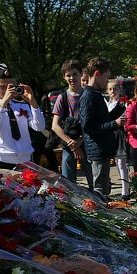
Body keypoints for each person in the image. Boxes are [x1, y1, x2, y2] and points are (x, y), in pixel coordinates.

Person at [0, 63, 45, 170]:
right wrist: (3, 103)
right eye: (2, 87)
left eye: (10, 86)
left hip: (25, 160)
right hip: (2, 160)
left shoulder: (21, 105)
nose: (6, 90)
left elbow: (39, 127)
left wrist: (33, 102)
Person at [80, 58, 126, 196]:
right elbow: (88, 126)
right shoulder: (88, 96)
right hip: (97, 150)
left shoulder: (96, 95)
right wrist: (114, 123)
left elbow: (101, 119)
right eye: (106, 77)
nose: (107, 81)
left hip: (102, 149)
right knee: (100, 189)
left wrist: (118, 111)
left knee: (104, 187)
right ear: (97, 74)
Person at [51, 59, 92, 188]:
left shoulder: (89, 95)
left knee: (95, 182)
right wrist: (71, 143)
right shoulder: (62, 97)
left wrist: (80, 140)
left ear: (81, 74)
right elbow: (55, 125)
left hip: (88, 143)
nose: (72, 78)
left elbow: (96, 122)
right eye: (68, 75)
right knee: (68, 185)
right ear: (64, 77)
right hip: (68, 144)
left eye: (75, 74)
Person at [107, 78, 130, 199]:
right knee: (114, 163)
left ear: (120, 90)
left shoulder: (123, 103)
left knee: (121, 163)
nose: (112, 91)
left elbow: (126, 118)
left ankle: (125, 192)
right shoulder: (107, 103)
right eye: (110, 89)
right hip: (110, 134)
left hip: (120, 134)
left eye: (115, 89)